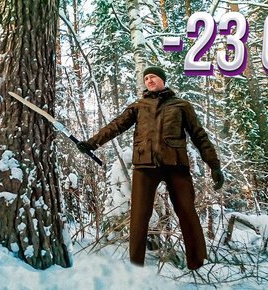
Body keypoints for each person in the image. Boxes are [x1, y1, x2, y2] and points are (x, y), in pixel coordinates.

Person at [77, 66, 224, 270]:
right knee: (139, 216)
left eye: (153, 77)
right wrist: (92, 143)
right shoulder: (139, 106)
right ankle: (135, 266)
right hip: (144, 166)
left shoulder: (181, 105)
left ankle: (198, 264)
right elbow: (116, 126)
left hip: (176, 165)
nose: (149, 80)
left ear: (163, 80)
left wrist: (214, 165)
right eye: (146, 78)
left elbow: (200, 136)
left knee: (186, 211)